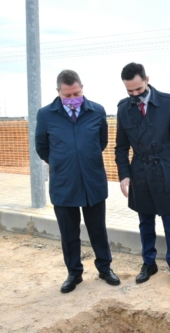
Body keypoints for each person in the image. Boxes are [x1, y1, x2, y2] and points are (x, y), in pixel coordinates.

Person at [35, 69, 120, 293]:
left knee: (97, 229)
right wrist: (63, 163)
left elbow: (101, 142)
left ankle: (104, 268)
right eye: (67, 95)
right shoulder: (45, 115)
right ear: (58, 92)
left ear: (82, 89)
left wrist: (84, 159)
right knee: (69, 232)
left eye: (77, 94)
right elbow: (42, 147)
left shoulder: (97, 111)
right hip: (64, 183)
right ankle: (74, 273)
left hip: (92, 180)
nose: (73, 99)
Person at [115, 62, 170, 288]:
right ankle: (148, 263)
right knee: (145, 221)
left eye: (138, 90)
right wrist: (124, 175)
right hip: (140, 173)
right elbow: (121, 147)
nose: (135, 95)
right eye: (129, 91)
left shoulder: (169, 103)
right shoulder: (123, 108)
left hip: (167, 171)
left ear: (147, 80)